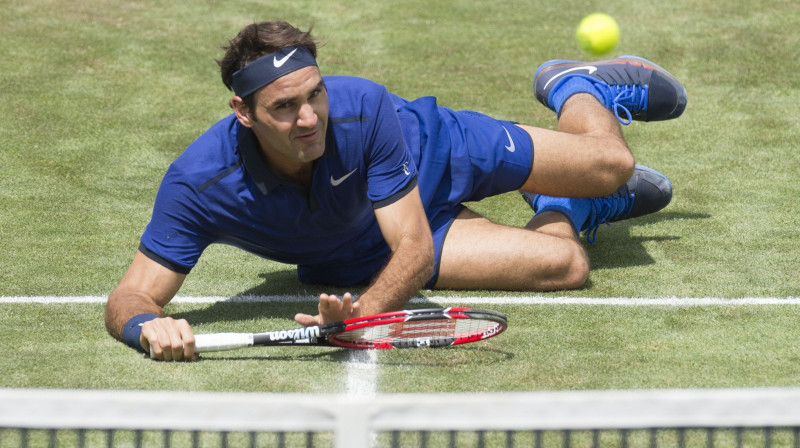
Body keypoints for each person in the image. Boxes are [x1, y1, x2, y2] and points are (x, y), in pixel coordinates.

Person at [105, 21, 686, 361]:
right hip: (364, 248)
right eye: (284, 107)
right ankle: (567, 202)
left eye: (315, 94)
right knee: (565, 266)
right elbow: (131, 295)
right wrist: (145, 325)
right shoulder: (200, 184)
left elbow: (414, 248)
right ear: (244, 113)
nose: (309, 118)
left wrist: (363, 316)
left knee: (610, 162)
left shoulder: (363, 109)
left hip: (438, 150)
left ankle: (575, 86)